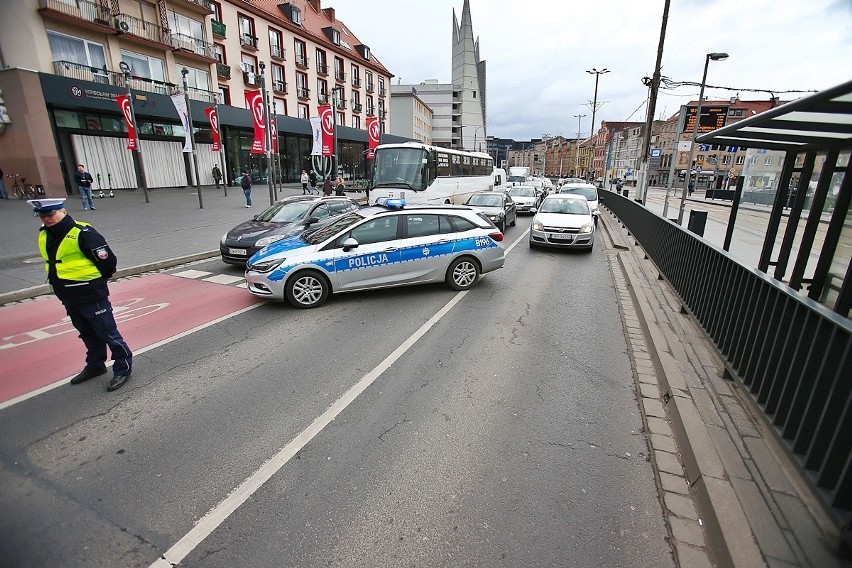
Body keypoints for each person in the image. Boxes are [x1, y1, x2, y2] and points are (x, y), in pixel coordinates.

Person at [28, 198, 132, 391]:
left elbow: (108, 263)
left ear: (63, 211)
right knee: (87, 334)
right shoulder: (44, 234)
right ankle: (95, 366)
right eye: (42, 216)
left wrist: (95, 283)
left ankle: (123, 367)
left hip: (91, 294)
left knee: (108, 333)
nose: (46, 219)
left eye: (50, 214)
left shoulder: (83, 232)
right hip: (68, 296)